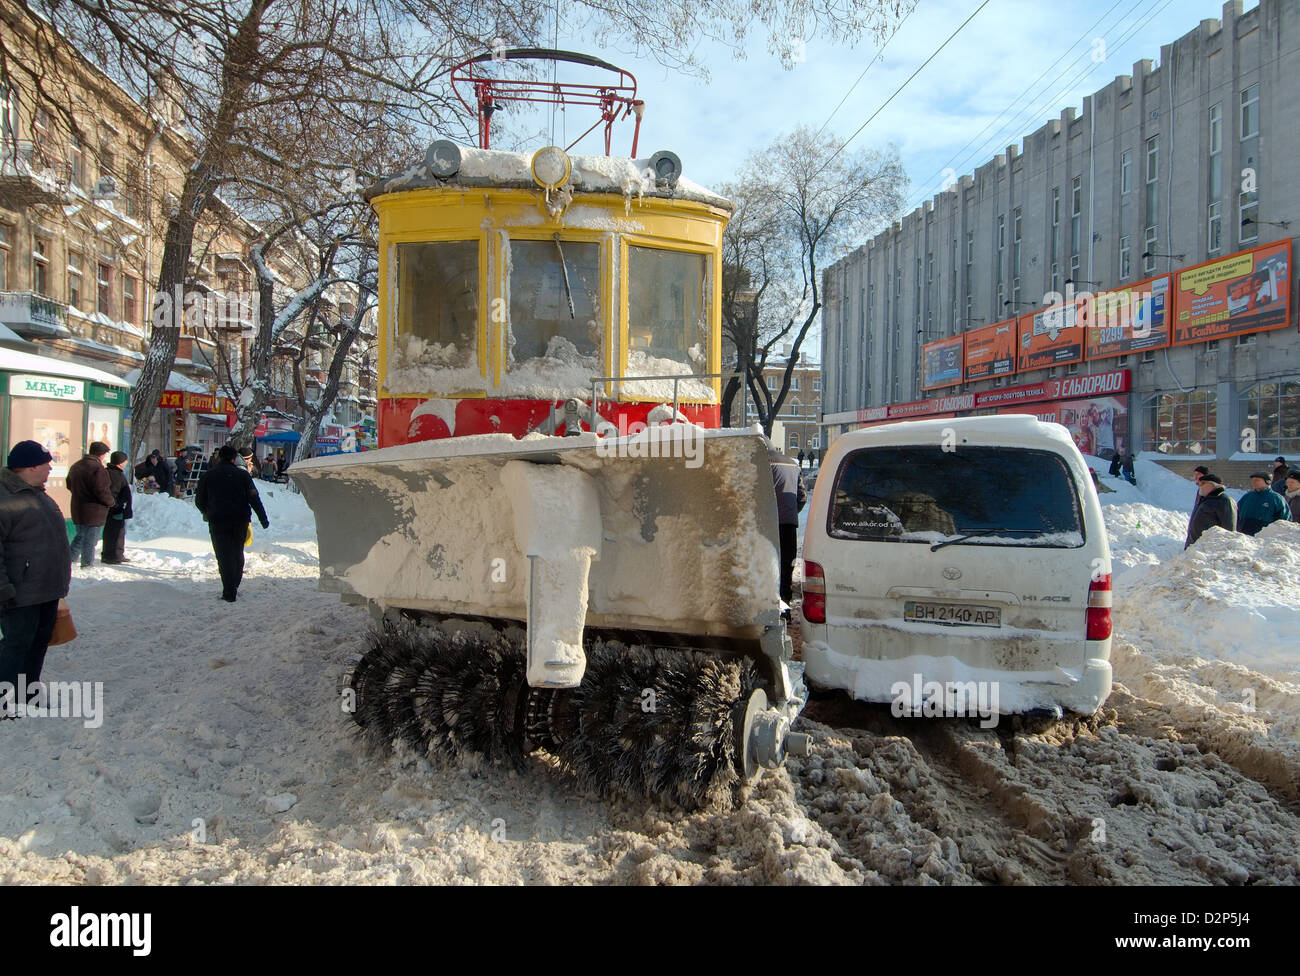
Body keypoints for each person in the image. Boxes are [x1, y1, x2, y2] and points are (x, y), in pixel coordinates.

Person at [0, 441, 72, 716]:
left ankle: (27, 694)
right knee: (15, 646)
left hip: (45, 588)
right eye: (45, 463)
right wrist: (3, 589)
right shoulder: (5, 498)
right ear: (30, 467)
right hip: (19, 591)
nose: (50, 468)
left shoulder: (38, 494)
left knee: (38, 643)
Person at [196, 444, 270, 602]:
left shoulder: (208, 476)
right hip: (240, 519)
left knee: (223, 555)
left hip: (217, 521)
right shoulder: (242, 476)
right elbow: (254, 498)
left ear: (219, 457)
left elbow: (199, 501)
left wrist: (208, 511)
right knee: (237, 552)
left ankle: (228, 589)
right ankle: (234, 585)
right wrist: (263, 518)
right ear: (233, 459)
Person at [768, 440, 807, 614]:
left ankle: (769, 608)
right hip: (789, 524)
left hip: (767, 523)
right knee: (786, 567)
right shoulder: (792, 464)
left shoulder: (761, 463)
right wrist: (791, 512)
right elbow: (802, 497)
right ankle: (785, 608)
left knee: (768, 566)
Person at [66, 441, 114, 568]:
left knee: (80, 535)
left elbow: (69, 484)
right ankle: (87, 564)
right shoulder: (97, 468)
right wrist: (110, 501)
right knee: (90, 540)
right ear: (101, 455)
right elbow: (101, 490)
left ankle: (70, 558)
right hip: (94, 510)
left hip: (77, 508)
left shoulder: (76, 466)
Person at [1185, 472, 1236, 548]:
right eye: (1199, 484)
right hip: (1195, 548)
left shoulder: (1224, 501)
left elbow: (1229, 528)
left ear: (1213, 485)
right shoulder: (1203, 500)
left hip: (1210, 549)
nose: (1200, 486)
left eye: (1203, 483)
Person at [101, 451, 133, 564]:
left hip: (118, 508)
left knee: (119, 531)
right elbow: (114, 491)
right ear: (120, 462)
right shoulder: (114, 474)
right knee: (113, 532)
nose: (126, 462)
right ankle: (110, 555)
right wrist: (117, 505)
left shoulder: (116, 472)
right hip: (115, 509)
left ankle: (117, 554)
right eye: (125, 460)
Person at [1237, 472, 1288, 536]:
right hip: (1244, 536)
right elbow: (1237, 513)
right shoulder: (1247, 497)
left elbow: (1284, 520)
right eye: (1253, 480)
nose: (1254, 482)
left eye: (1257, 480)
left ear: (1267, 482)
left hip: (1265, 538)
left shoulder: (1276, 498)